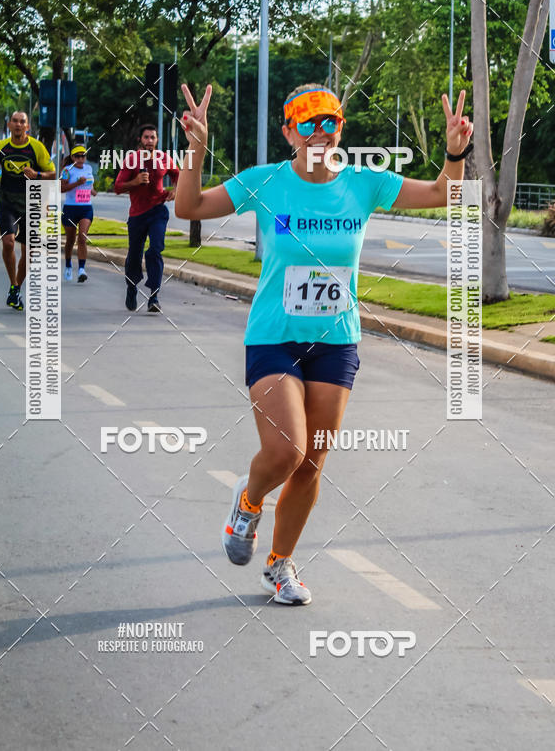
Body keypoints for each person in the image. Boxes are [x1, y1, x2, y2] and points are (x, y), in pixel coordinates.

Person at [175, 82, 473, 606]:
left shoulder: (364, 183)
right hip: (274, 337)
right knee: (287, 449)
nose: (319, 131)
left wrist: (454, 153)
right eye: (307, 123)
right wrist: (196, 150)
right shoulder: (265, 181)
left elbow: (442, 194)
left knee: (312, 461)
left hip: (336, 342)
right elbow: (189, 206)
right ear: (288, 132)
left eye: (329, 121)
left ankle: (279, 565)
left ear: (340, 129)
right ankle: (249, 501)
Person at [0, 111, 56, 311]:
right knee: (8, 242)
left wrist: (37, 174)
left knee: (29, 251)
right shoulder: (1, 146)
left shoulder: (36, 147)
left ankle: (16, 289)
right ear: (9, 125)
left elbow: (53, 173)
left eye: (22, 121)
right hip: (6, 200)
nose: (18, 124)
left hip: (31, 202)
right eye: (15, 121)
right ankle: (14, 285)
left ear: (27, 126)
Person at [114, 123, 179, 312]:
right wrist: (135, 181)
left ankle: (154, 297)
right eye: (146, 137)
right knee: (134, 255)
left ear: (157, 140)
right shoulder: (132, 160)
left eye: (153, 137)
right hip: (137, 215)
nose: (150, 140)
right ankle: (131, 287)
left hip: (158, 211)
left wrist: (175, 190)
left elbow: (178, 175)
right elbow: (118, 187)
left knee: (155, 250)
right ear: (140, 140)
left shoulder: (164, 158)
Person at [60, 146, 97, 283]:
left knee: (82, 238)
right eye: (78, 156)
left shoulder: (88, 168)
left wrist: (92, 190)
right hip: (70, 208)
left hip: (86, 208)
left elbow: (89, 184)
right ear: (73, 157)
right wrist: (77, 183)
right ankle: (68, 265)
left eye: (83, 156)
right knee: (70, 240)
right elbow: (61, 188)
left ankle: (81, 269)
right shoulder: (66, 170)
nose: (81, 158)